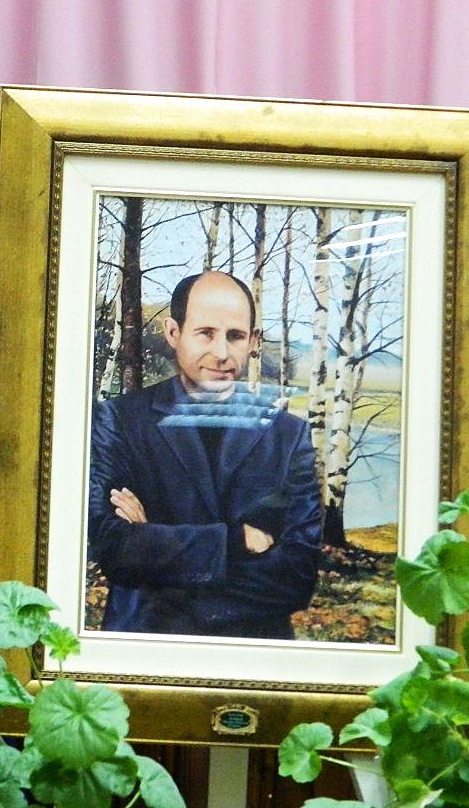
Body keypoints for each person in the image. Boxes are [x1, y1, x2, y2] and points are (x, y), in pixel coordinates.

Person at [88, 270, 323, 639]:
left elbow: (297, 578)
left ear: (253, 341)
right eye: (206, 333)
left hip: (252, 653)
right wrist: (234, 541)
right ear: (173, 333)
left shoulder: (288, 435)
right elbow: (113, 548)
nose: (222, 354)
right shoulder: (120, 420)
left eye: (236, 336)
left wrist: (155, 552)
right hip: (145, 649)